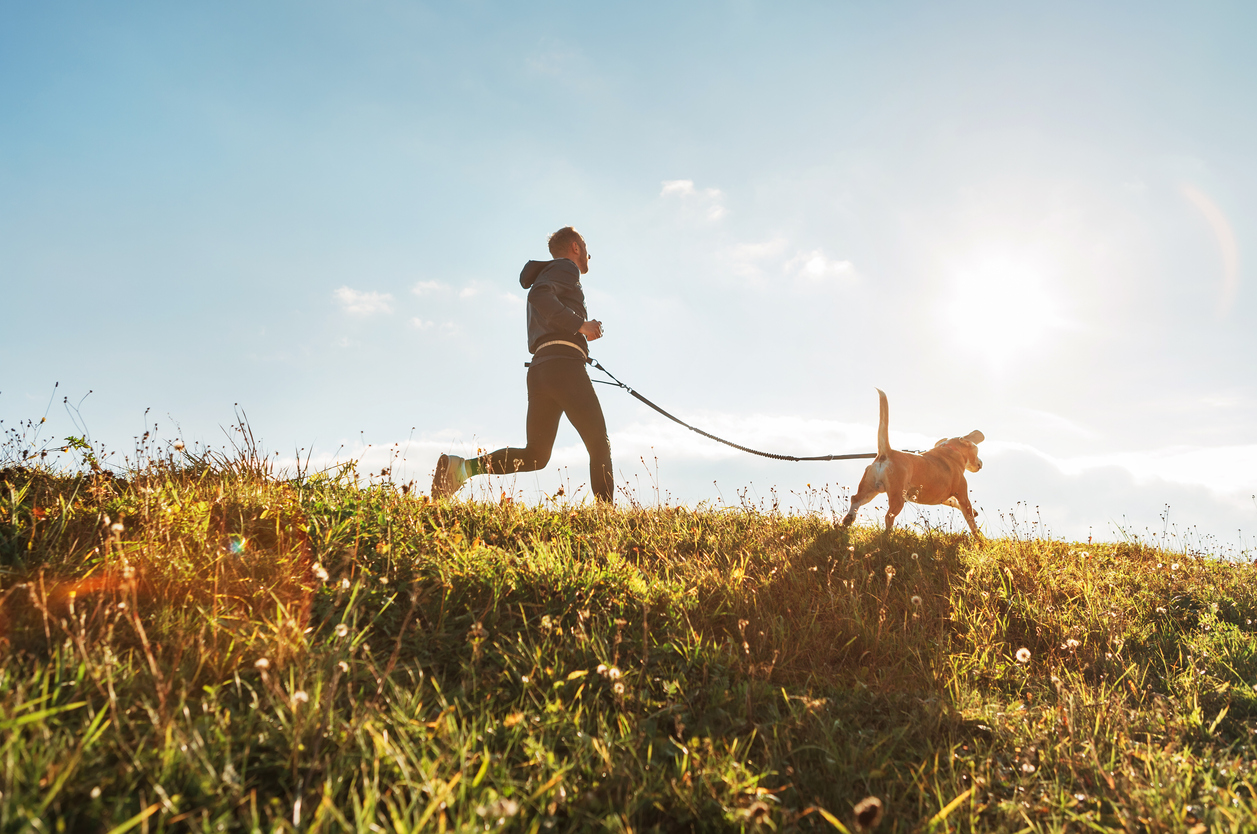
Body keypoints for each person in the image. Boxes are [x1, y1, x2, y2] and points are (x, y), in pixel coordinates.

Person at [431, 226, 614, 502]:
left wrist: (580, 331)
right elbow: (539, 296)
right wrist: (581, 325)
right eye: (585, 246)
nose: (589, 254)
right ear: (575, 247)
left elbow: (542, 299)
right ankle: (605, 518)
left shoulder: (550, 272)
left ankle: (461, 468)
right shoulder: (566, 268)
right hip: (564, 368)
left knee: (536, 455)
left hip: (542, 369)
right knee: (599, 443)